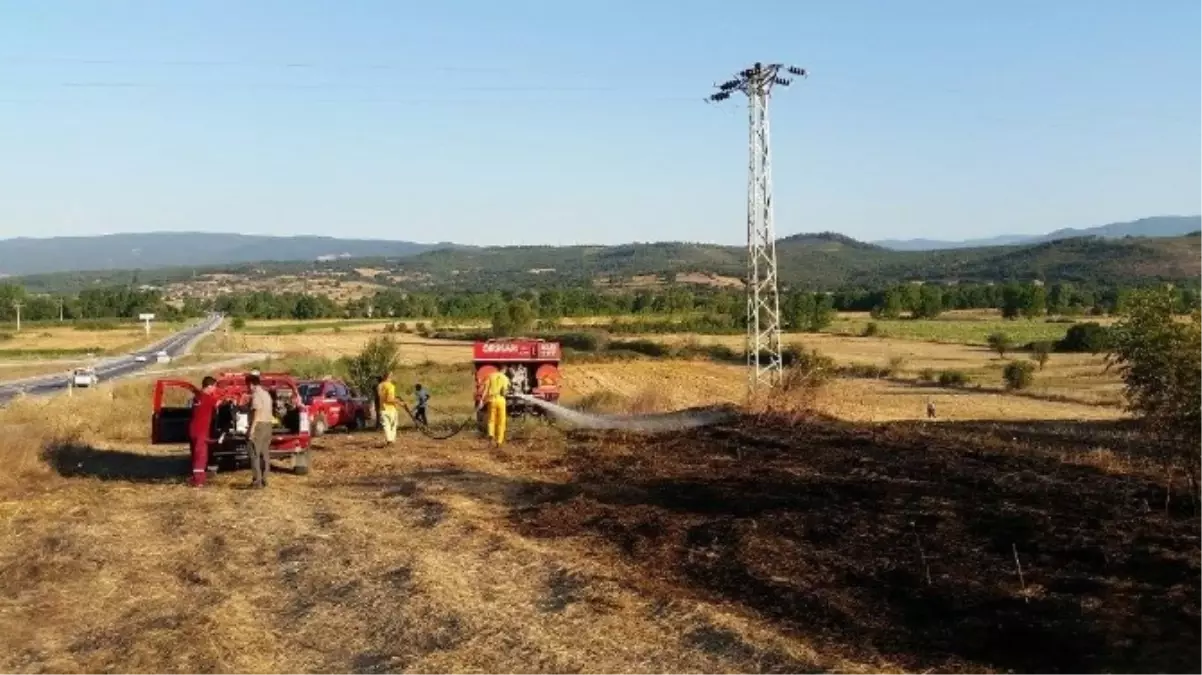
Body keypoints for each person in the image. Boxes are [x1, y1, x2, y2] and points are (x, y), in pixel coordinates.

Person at [188, 375, 219, 488]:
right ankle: (198, 481)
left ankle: (196, 477)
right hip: (201, 431)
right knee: (201, 456)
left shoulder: (197, 397)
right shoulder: (208, 399)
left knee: (196, 455)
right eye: (214, 387)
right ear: (209, 386)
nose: (215, 389)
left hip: (194, 429)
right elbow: (218, 404)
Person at [246, 373, 273, 489]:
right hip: (268, 425)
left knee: (254, 454)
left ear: (251, 384)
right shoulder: (266, 394)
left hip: (259, 426)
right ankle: (265, 479)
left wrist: (251, 430)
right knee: (265, 453)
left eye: (248, 385)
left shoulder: (256, 395)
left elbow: (257, 412)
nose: (248, 388)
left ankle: (257, 481)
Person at [481, 367, 511, 447]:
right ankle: (499, 441)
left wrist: (482, 400)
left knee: (491, 420)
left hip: (491, 400)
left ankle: (491, 434)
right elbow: (504, 392)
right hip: (501, 400)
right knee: (501, 421)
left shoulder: (491, 376)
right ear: (504, 370)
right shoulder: (505, 378)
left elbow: (485, 389)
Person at [376, 372, 398, 445]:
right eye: (392, 376)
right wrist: (399, 402)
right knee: (393, 425)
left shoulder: (379, 386)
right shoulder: (391, 386)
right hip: (391, 409)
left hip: (382, 408)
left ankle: (389, 440)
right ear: (389, 377)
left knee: (386, 425)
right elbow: (389, 399)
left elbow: (381, 396)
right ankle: (391, 440)